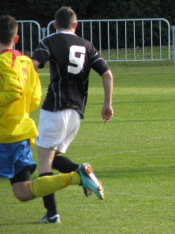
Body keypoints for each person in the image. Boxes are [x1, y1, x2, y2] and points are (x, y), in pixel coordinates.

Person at [0, 15, 103, 209]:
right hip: (22, 131)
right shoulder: (25, 61)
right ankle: (75, 177)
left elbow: (14, 90)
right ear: (16, 39)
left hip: (6, 134)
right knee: (22, 192)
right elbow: (35, 97)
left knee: (45, 165)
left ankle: (53, 212)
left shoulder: (4, 62)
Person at [32, 7, 114, 223]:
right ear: (75, 25)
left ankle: (52, 214)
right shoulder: (87, 45)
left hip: (55, 109)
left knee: (44, 163)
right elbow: (107, 74)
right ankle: (81, 172)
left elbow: (33, 65)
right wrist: (107, 105)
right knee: (53, 157)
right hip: (76, 113)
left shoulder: (49, 40)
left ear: (55, 24)